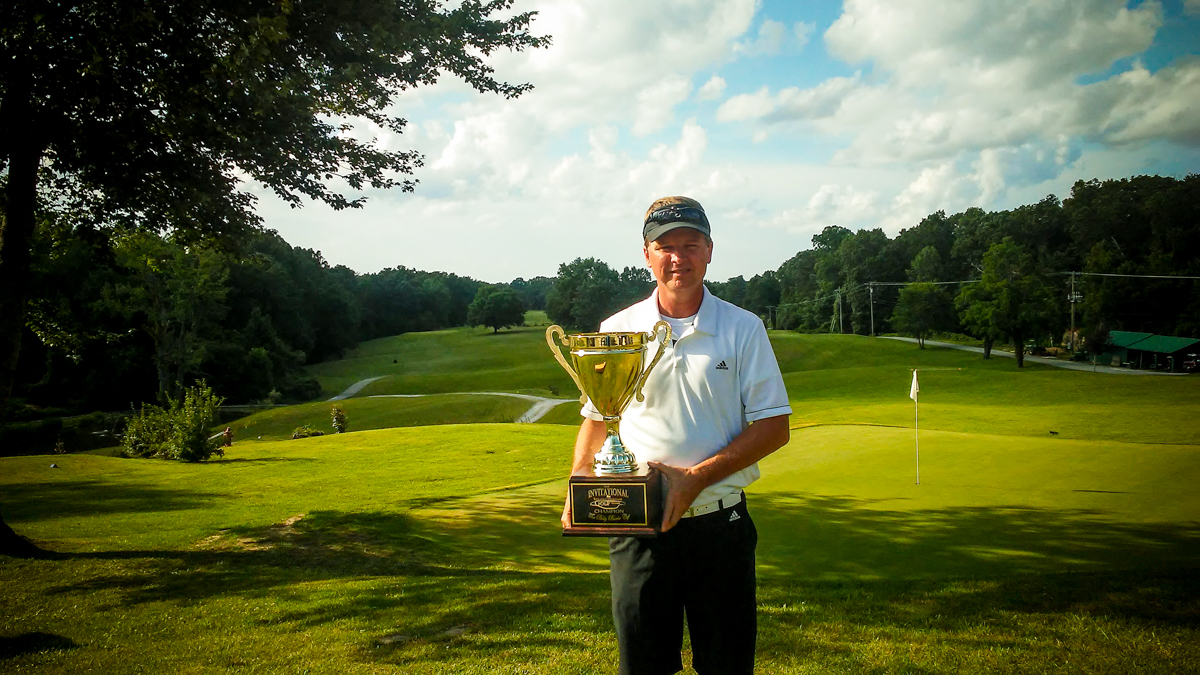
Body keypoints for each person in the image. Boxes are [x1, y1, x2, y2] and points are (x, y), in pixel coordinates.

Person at [561, 196, 792, 675]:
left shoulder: (743, 328)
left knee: (726, 666)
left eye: (690, 244)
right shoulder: (618, 329)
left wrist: (696, 478)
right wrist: (579, 482)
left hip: (719, 529)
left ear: (709, 251)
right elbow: (598, 417)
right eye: (665, 246)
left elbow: (774, 426)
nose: (677, 257)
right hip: (637, 531)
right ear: (646, 254)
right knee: (643, 666)